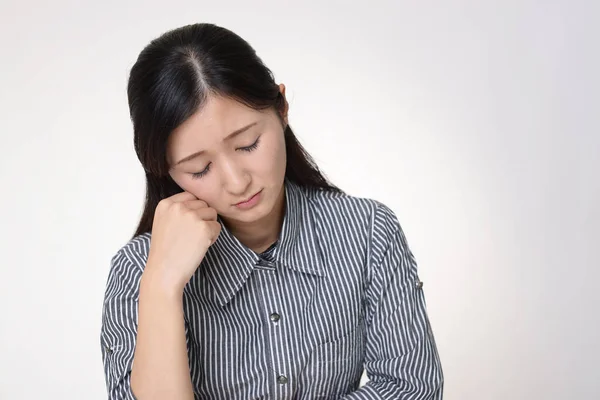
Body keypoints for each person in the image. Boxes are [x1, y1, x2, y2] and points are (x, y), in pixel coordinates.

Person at [100, 22, 444, 400]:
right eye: (199, 168)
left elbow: (411, 387)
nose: (236, 182)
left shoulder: (367, 232)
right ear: (165, 168)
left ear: (281, 107)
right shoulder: (138, 272)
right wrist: (163, 286)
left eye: (247, 144)